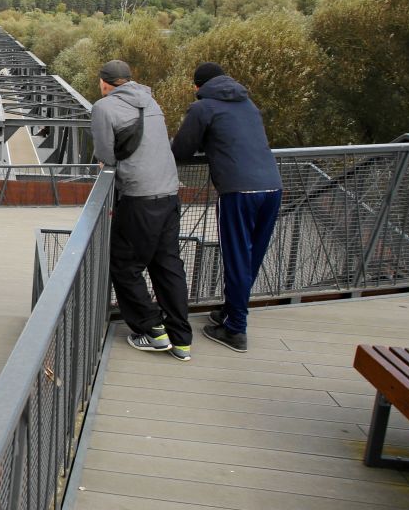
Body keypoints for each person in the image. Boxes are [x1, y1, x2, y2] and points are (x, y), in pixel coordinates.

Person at [171, 62, 281, 353]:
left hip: (238, 190)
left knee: (236, 258)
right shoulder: (248, 103)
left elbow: (180, 150)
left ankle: (235, 331)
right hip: (273, 186)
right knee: (252, 257)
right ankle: (230, 311)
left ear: (198, 86)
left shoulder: (203, 108)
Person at [92, 60, 192, 361]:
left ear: (104, 83)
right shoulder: (151, 100)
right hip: (169, 194)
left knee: (124, 265)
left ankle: (152, 330)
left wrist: (108, 165)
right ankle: (182, 340)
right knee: (167, 265)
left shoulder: (103, 108)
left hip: (139, 196)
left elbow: (106, 154)